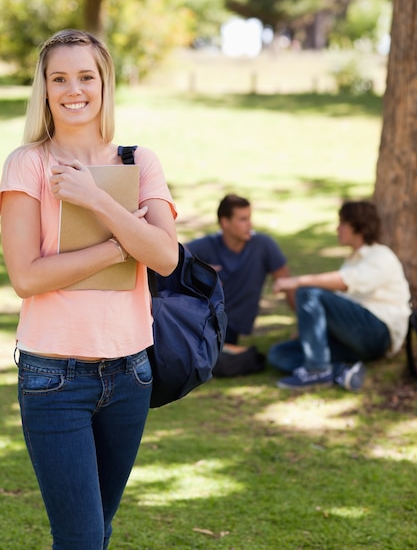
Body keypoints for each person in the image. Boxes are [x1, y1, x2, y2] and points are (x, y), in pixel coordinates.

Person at [0, 29, 178, 550]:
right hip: (54, 378)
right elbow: (27, 277)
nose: (73, 89)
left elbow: (165, 257)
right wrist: (119, 245)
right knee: (79, 539)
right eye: (59, 78)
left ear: (104, 84)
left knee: (96, 532)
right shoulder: (27, 164)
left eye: (85, 76)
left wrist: (96, 199)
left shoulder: (139, 160)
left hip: (131, 373)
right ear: (45, 88)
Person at [268, 200, 411, 391]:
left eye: (342, 224)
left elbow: (346, 282)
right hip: (353, 337)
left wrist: (297, 281)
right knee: (279, 353)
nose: (338, 229)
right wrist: (308, 332)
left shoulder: (380, 256)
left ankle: (316, 370)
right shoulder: (352, 261)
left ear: (358, 226)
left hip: (377, 332)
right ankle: (339, 372)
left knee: (308, 292)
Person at [186, 194, 295, 347]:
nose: (250, 224)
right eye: (243, 219)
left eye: (250, 218)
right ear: (225, 222)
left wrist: (302, 326)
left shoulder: (263, 245)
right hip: (206, 321)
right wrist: (198, 270)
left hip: (232, 326)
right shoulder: (208, 245)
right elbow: (174, 255)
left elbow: (287, 284)